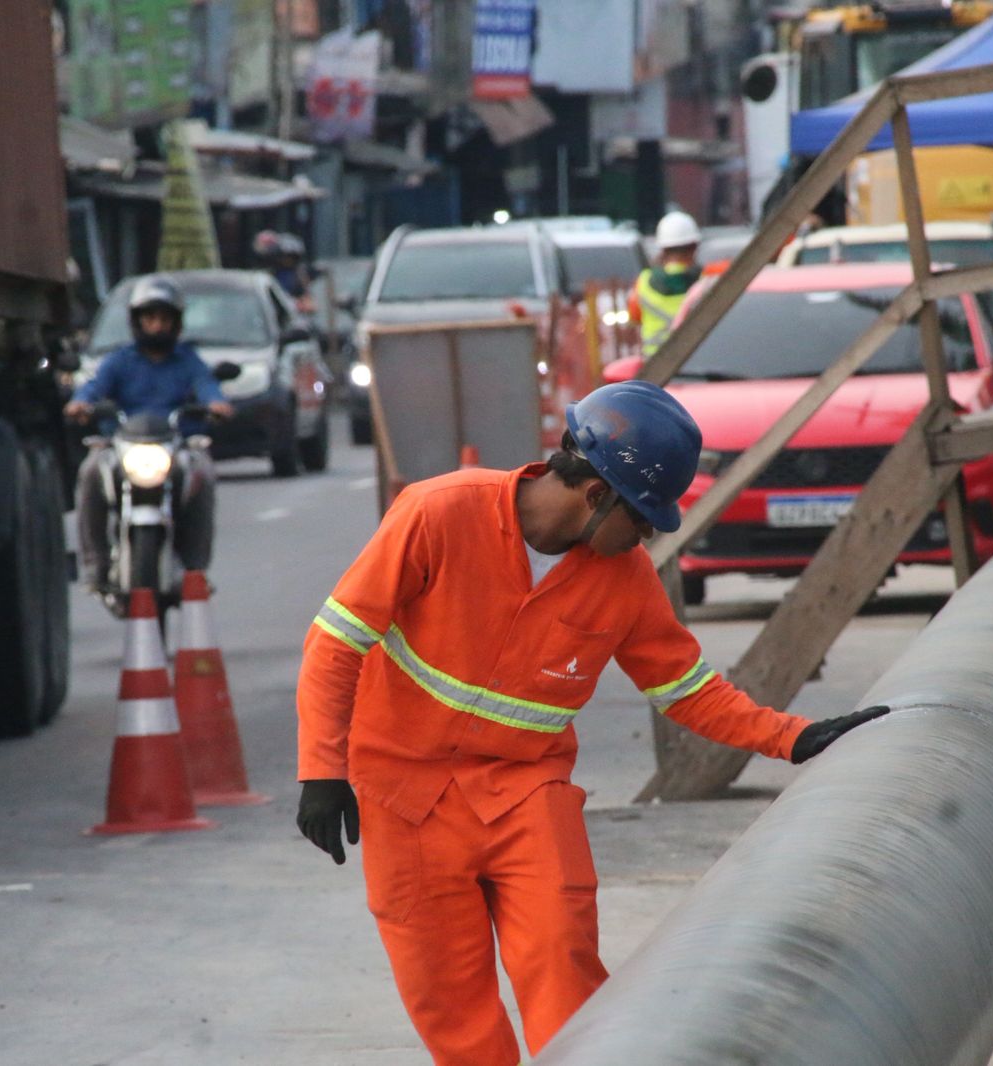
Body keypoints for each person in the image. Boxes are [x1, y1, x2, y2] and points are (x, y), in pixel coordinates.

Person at [293, 380, 889, 1066]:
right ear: (596, 492)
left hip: (525, 794)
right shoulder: (438, 513)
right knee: (451, 1007)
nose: (643, 538)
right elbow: (336, 643)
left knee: (565, 974)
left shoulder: (625, 579)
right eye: (640, 519)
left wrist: (792, 737)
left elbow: (686, 689)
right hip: (405, 798)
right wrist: (321, 773)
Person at [63, 275, 234, 592]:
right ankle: (95, 565)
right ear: (136, 321)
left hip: (176, 446)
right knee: (89, 474)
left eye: (164, 318)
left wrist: (217, 404)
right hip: (122, 446)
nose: (157, 325)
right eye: (150, 318)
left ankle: (195, 569)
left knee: (204, 475)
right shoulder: (119, 361)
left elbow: (207, 385)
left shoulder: (188, 360)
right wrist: (81, 404)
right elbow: (94, 388)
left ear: (176, 323)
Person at [629, 211, 703, 358]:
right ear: (694, 247)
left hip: (655, 366)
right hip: (697, 361)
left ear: (662, 249)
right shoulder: (705, 280)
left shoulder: (644, 281)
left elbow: (634, 316)